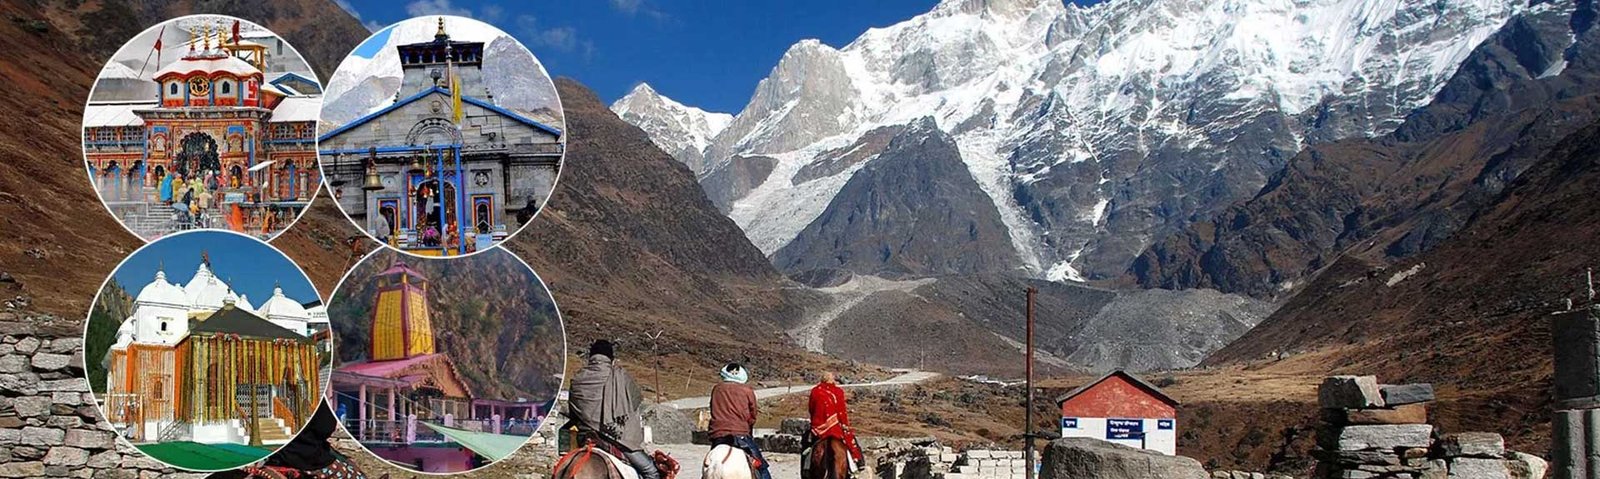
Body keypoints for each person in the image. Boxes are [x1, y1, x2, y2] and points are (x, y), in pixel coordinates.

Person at [567, 340, 660, 479]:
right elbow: (632, 406)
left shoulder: (577, 379)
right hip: (616, 440)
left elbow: (573, 414)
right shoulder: (621, 377)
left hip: (584, 439)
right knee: (651, 472)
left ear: (590, 358)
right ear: (612, 359)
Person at [709, 363, 771, 479]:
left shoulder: (716, 389)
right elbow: (752, 415)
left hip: (718, 435)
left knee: (710, 465)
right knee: (761, 467)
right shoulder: (747, 390)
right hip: (740, 434)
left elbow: (712, 409)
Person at [807, 372, 864, 472]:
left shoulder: (815, 391)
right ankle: (857, 463)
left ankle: (806, 467)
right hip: (835, 428)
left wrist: (815, 421)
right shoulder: (838, 391)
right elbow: (842, 411)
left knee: (807, 443)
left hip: (819, 428)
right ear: (831, 380)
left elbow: (811, 409)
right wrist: (845, 425)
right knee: (850, 440)